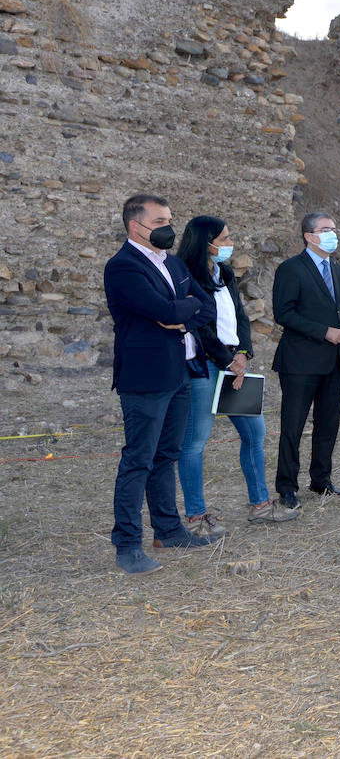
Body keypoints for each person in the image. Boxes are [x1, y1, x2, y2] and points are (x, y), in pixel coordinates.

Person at [104, 194, 216, 574]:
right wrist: (180, 311)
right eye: (160, 222)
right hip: (147, 378)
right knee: (139, 459)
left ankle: (168, 531)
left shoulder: (173, 262)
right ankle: (127, 545)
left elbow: (206, 306)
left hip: (180, 372)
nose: (169, 228)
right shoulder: (123, 267)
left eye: (170, 219)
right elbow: (162, 310)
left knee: (166, 455)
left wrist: (179, 316)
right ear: (136, 226)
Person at [175, 215, 298, 534]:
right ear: (206, 243)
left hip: (234, 364)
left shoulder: (225, 272)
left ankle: (260, 505)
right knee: (195, 441)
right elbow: (198, 326)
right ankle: (196, 518)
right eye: (225, 239)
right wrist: (227, 360)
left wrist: (242, 353)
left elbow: (241, 317)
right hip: (204, 365)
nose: (230, 244)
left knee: (255, 433)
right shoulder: (185, 275)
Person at [271, 212, 340, 508]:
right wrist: (325, 332)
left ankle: (321, 479)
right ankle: (287, 486)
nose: (332, 234)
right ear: (309, 236)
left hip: (335, 361)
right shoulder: (291, 269)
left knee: (328, 424)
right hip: (300, 362)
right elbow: (284, 313)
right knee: (293, 426)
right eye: (325, 229)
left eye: (333, 229)